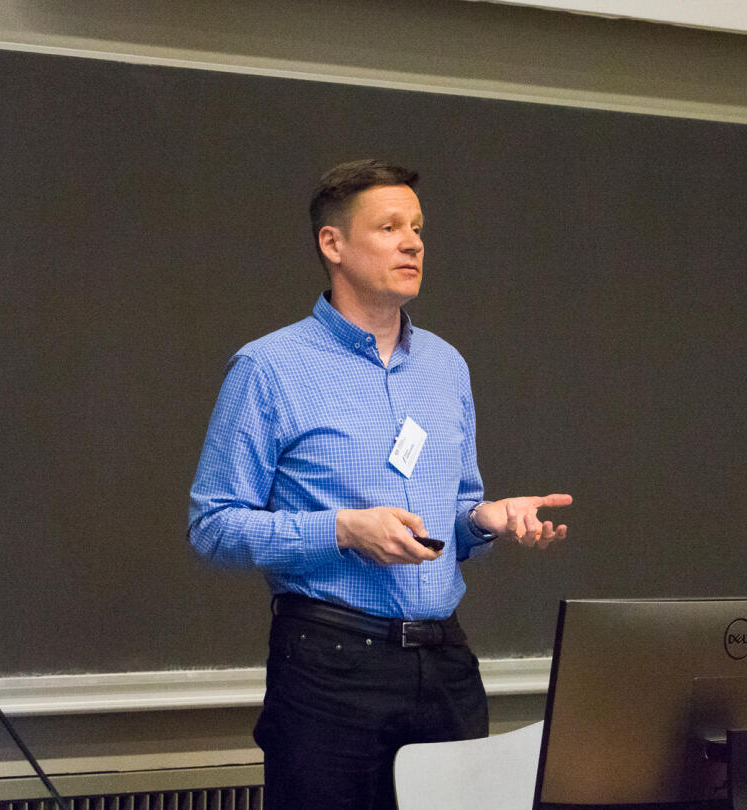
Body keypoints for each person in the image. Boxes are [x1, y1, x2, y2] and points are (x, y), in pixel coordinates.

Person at [188, 158, 572, 810]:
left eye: (417, 228)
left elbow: (453, 513)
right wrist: (343, 529)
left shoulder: (447, 366)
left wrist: (484, 520)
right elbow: (213, 526)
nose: (412, 243)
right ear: (332, 244)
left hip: (445, 662)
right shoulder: (268, 368)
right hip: (329, 665)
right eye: (389, 227)